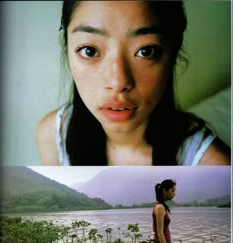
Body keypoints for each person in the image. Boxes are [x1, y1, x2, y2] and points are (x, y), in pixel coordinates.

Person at [36, 1, 230, 166]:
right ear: (67, 47)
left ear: (173, 51)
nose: (118, 82)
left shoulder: (216, 169)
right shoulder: (52, 136)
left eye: (146, 51)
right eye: (89, 50)